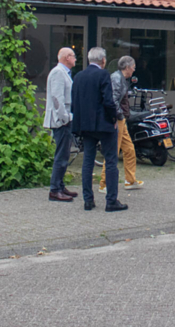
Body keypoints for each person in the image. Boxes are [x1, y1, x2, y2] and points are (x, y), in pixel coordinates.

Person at [71, 47, 128, 212]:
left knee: (87, 161)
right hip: (103, 124)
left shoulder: (78, 76)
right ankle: (111, 201)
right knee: (110, 160)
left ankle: (88, 200)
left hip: (86, 125)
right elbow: (108, 101)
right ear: (103, 61)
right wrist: (114, 119)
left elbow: (74, 102)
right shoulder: (103, 75)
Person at [100, 55, 143, 193]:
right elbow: (113, 100)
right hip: (118, 119)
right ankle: (104, 183)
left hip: (121, 119)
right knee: (113, 151)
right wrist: (118, 116)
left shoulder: (120, 78)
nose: (134, 70)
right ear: (127, 67)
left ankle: (130, 180)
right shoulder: (117, 79)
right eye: (133, 67)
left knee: (129, 149)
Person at [43, 47, 78, 203]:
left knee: (64, 154)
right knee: (61, 155)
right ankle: (55, 189)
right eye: (73, 56)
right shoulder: (58, 73)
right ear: (66, 58)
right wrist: (65, 118)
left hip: (64, 118)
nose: (76, 59)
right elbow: (57, 98)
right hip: (61, 121)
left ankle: (60, 185)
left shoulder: (64, 73)